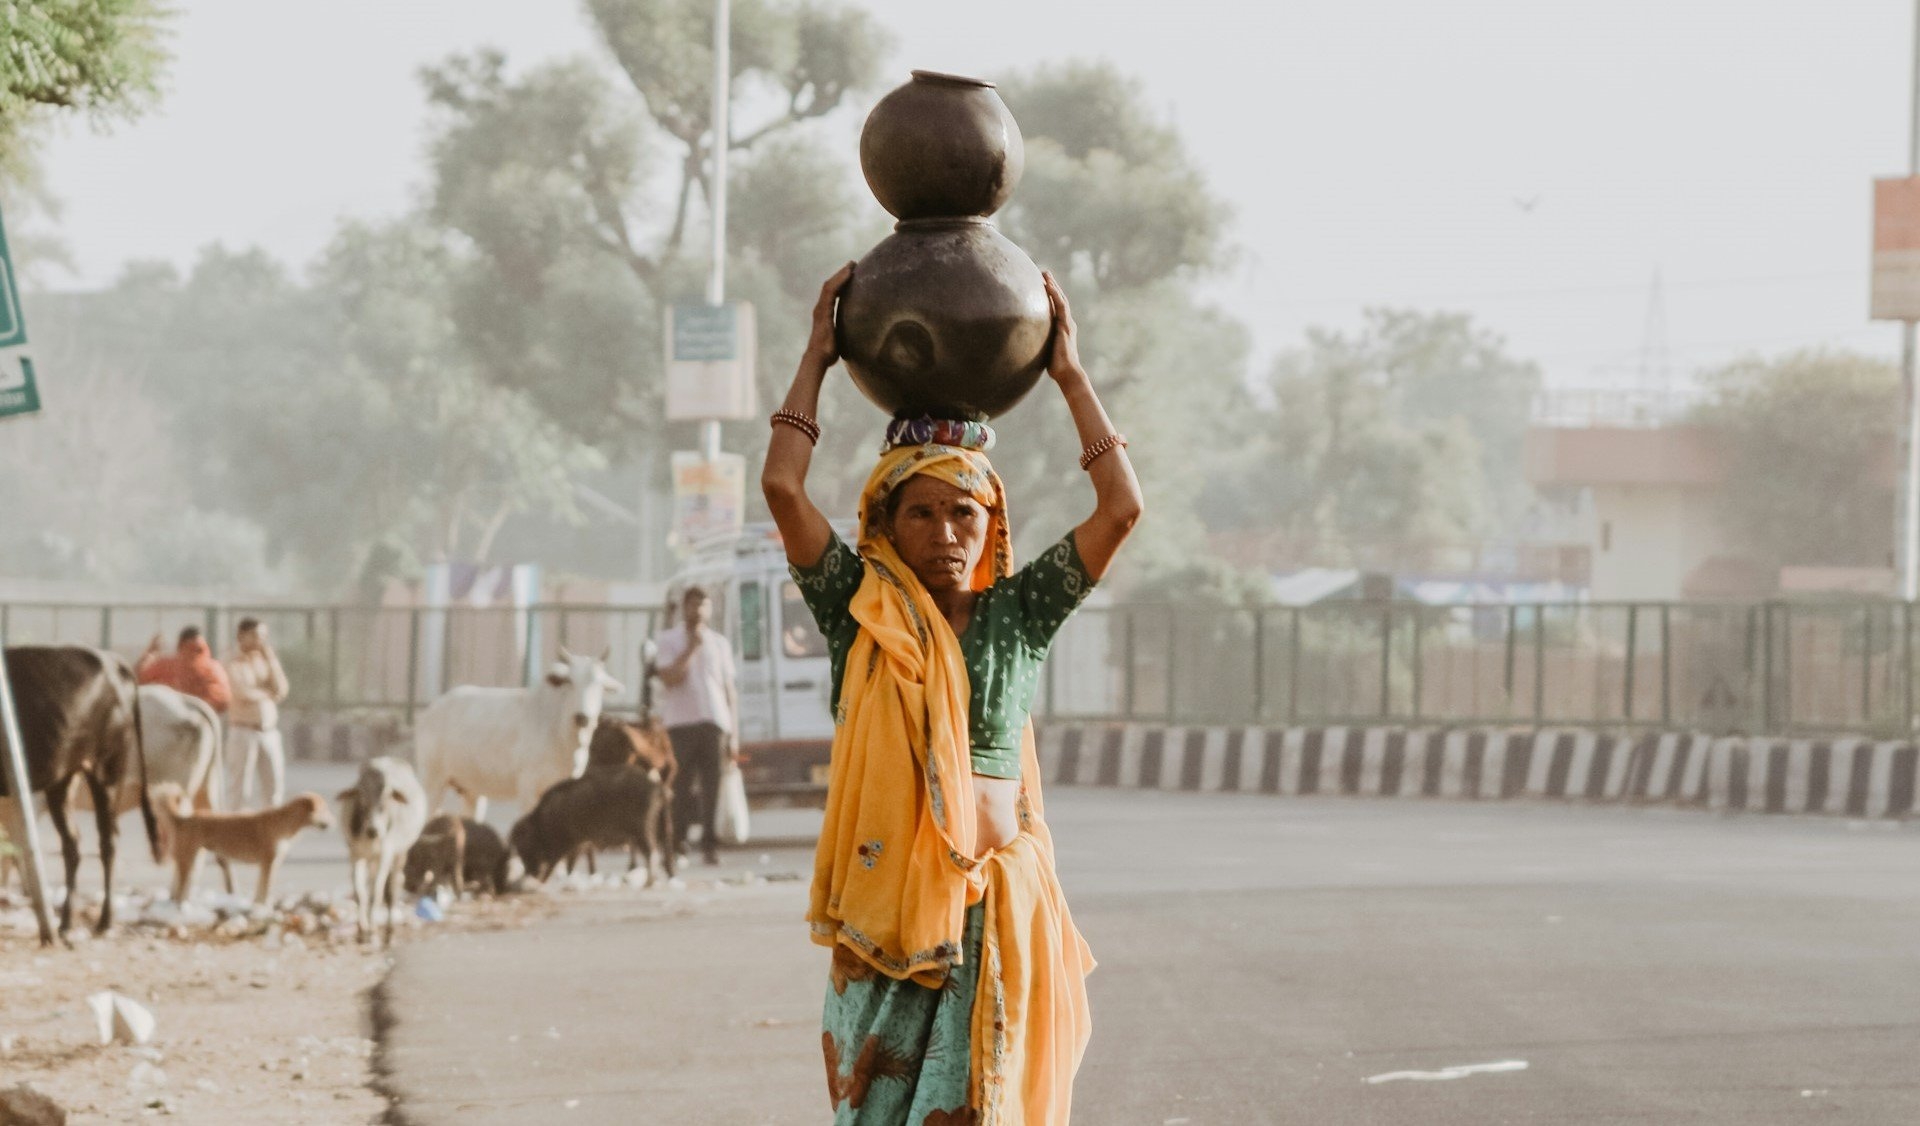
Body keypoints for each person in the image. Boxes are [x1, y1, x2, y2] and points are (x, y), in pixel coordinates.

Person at [762, 263, 1143, 1124]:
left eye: (962, 514)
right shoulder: (858, 610)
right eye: (922, 513)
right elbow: (783, 488)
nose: (944, 533)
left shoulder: (1022, 611)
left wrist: (1071, 377)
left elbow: (1121, 509)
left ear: (990, 523)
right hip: (893, 934)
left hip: (996, 921)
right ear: (886, 523)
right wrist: (815, 360)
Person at [650, 586, 738, 866]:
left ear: (709, 609)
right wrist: (691, 648)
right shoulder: (668, 640)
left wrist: (734, 735)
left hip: (713, 722)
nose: (698, 610)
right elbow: (669, 678)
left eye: (703, 605)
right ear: (684, 608)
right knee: (681, 787)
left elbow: (729, 690)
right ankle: (678, 843)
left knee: (712, 788)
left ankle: (710, 845)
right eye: (693, 605)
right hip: (680, 724)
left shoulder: (720, 644)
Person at [223, 617, 291, 809]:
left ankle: (271, 834)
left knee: (274, 787)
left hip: (269, 731)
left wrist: (272, 661)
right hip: (243, 731)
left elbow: (282, 689)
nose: (259, 641)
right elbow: (240, 692)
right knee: (240, 789)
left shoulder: (265, 661)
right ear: (241, 636)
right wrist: (268, 694)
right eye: (254, 635)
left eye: (262, 636)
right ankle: (235, 833)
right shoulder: (231, 661)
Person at [138, 626, 232, 716]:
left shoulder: (167, 666)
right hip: (204, 718)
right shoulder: (214, 668)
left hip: (172, 718)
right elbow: (224, 699)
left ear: (180, 643)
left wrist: (151, 652)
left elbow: (140, 677)